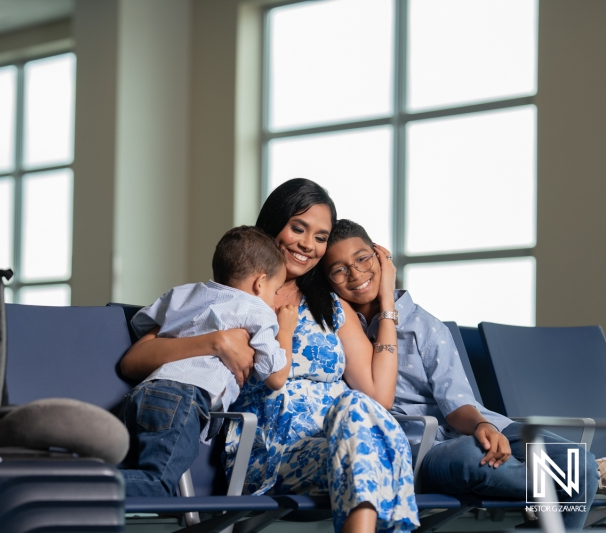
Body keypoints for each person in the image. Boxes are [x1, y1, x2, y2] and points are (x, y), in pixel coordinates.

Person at [121, 179, 420, 533]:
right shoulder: (232, 297)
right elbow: (134, 360)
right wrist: (217, 342)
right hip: (267, 455)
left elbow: (378, 396)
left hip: (340, 444)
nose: (308, 245)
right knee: (373, 437)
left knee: (362, 414)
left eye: (321, 237)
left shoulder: (331, 306)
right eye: (298, 228)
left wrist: (387, 302)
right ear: (275, 221)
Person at [323, 218, 598, 530]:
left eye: (362, 258)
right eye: (339, 269)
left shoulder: (426, 326)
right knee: (474, 457)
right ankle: (569, 486)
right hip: (426, 449)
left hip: (474, 425)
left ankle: (575, 481)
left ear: (381, 258)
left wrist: (482, 424)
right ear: (328, 280)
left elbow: (457, 403)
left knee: (576, 459)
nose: (356, 273)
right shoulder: (338, 330)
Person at [118, 225, 298, 497]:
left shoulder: (183, 294)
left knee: (132, 469)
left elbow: (141, 323)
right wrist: (285, 330)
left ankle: (67, 479)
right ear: (260, 283)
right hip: (183, 399)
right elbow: (274, 375)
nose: (274, 301)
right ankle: (60, 486)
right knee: (158, 485)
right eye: (274, 292)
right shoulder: (257, 310)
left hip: (142, 394)